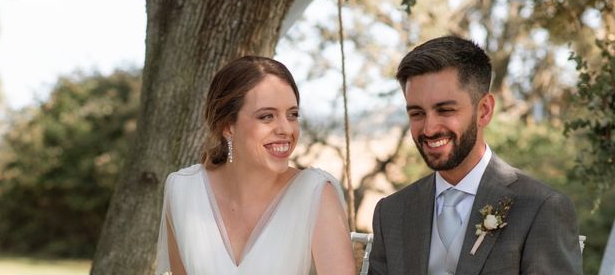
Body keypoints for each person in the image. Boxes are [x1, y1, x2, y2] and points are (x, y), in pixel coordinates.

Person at [369, 35, 583, 275]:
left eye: (445, 110)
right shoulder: (391, 212)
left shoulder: (541, 208)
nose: (429, 129)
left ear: (484, 111)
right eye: (417, 113)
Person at [155, 56, 355, 275]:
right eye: (267, 116)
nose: (286, 129)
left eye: (293, 114)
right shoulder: (183, 189)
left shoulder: (316, 194)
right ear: (227, 126)